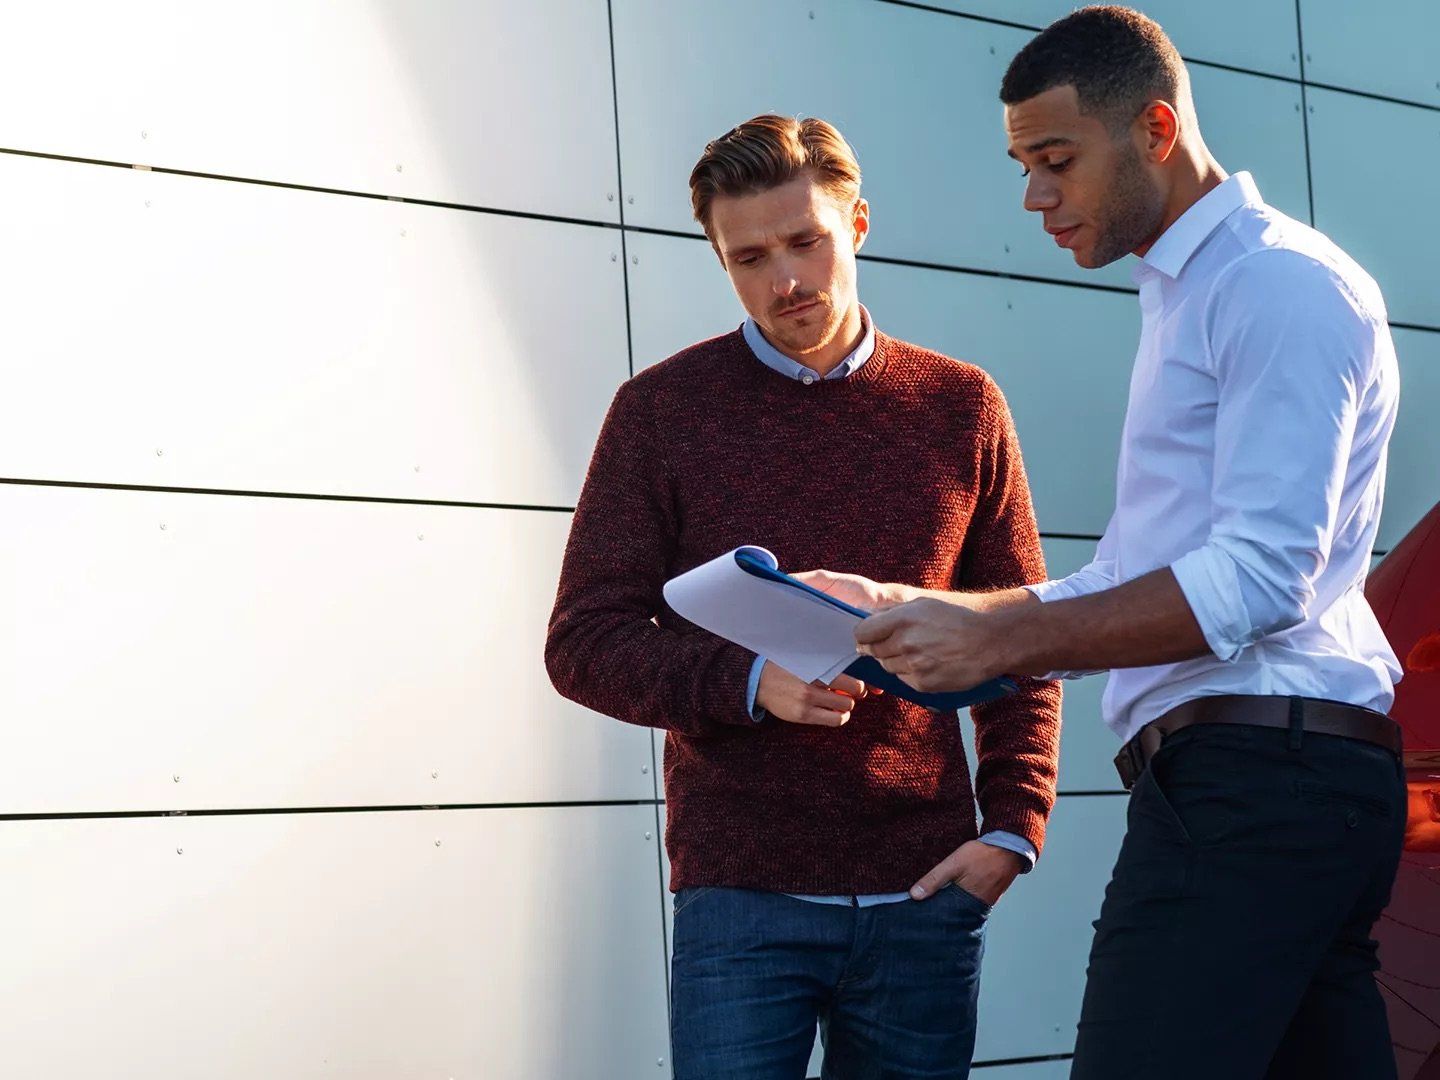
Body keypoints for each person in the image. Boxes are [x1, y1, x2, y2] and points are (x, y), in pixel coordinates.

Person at [799, 8, 1406, 1078]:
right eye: (1024, 165)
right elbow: (1127, 578)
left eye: (1056, 160)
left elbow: (1263, 578)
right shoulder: (1192, 294)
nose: (1035, 196)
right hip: (1273, 784)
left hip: (1257, 784)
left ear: (1157, 129)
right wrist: (933, 608)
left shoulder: (1273, 285)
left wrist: (1000, 650)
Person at [545, 114, 1061, 1079]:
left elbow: (1019, 636)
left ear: (857, 223)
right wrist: (749, 682)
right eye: (748, 258)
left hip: (924, 896)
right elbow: (583, 640)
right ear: (719, 260)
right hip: (742, 894)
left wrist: (1011, 832)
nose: (784, 279)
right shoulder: (660, 412)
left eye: (805, 242)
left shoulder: (963, 406)